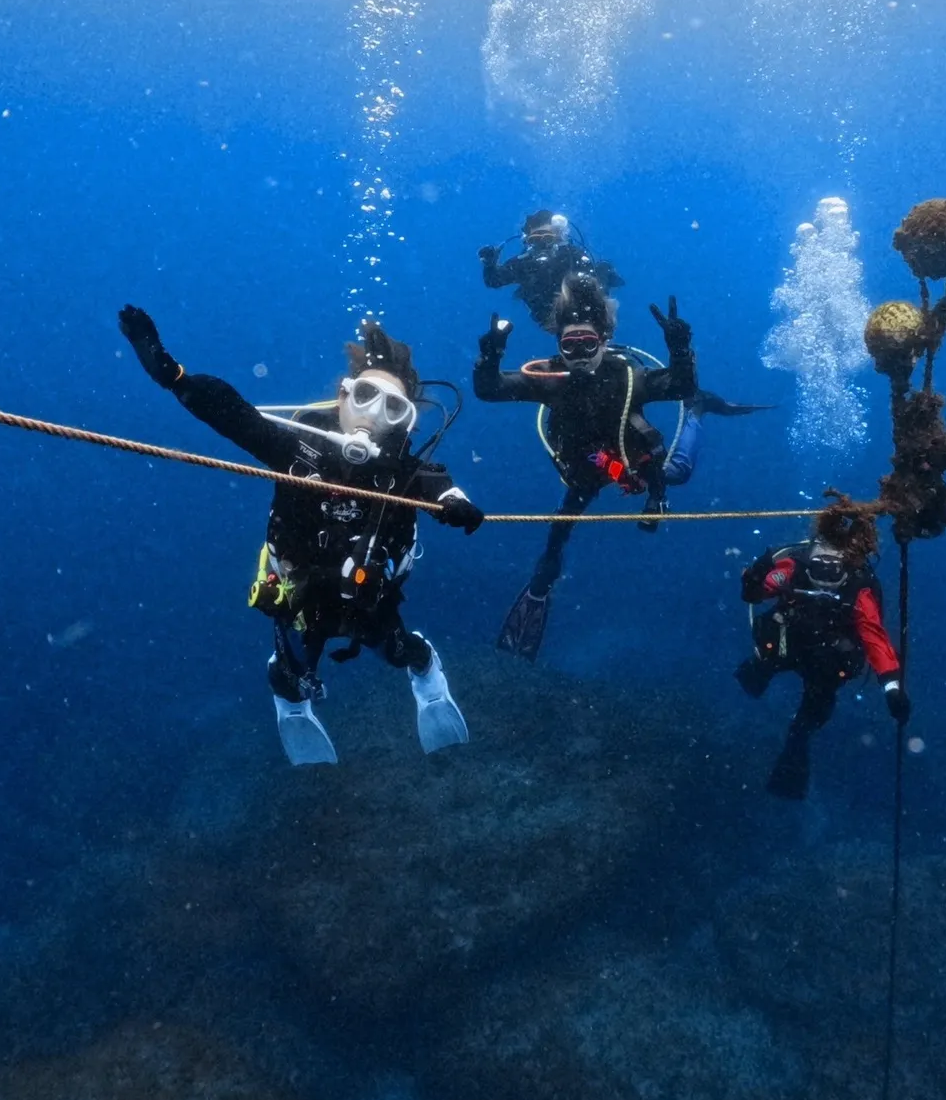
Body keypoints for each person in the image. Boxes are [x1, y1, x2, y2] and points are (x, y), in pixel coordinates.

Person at [117, 305, 484, 767]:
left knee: (396, 650)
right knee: (292, 673)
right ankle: (291, 699)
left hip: (367, 592)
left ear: (406, 423)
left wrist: (455, 501)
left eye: (394, 407)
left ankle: (425, 671)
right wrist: (172, 375)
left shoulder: (406, 472)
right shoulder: (295, 447)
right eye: (367, 395)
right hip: (298, 590)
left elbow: (439, 483)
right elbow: (234, 414)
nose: (375, 413)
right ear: (343, 396)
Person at [474, 273, 698, 661]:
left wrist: (679, 348)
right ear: (558, 346)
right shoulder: (551, 382)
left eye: (587, 343)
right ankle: (538, 590)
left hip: (634, 463)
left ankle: (699, 417)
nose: (578, 354)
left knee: (677, 473)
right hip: (585, 472)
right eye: (570, 345)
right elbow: (489, 390)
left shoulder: (631, 378)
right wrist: (491, 355)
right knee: (558, 531)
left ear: (604, 341)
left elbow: (680, 386)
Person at [736, 500, 908, 800]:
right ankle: (759, 671)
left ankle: (794, 751)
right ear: (810, 557)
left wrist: (892, 689)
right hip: (791, 645)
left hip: (827, 662)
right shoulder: (793, 566)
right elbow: (759, 591)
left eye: (833, 568)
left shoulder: (859, 585)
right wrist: (753, 579)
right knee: (769, 645)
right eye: (819, 566)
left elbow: (874, 636)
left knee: (811, 714)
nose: (825, 575)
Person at [478, 209, 624, 334]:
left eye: (547, 238)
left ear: (558, 238)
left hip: (578, 311)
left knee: (597, 293)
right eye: (535, 239)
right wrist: (489, 264)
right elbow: (493, 280)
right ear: (527, 241)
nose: (542, 244)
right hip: (544, 316)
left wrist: (602, 276)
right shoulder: (523, 263)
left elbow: (597, 292)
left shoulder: (572, 255)